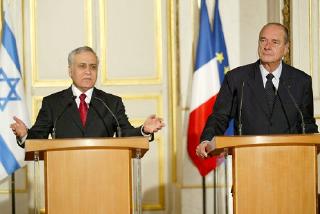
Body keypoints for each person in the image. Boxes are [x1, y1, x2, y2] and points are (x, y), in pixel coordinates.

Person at [196, 22, 318, 158]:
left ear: (286, 48)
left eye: (275, 42)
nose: (267, 47)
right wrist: (207, 139)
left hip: (290, 160)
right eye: (263, 40)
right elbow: (220, 116)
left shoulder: (301, 81)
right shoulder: (237, 78)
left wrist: (314, 144)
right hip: (249, 160)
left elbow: (306, 122)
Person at [10, 46, 165, 146]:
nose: (88, 72)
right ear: (70, 71)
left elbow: (125, 134)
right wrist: (25, 135)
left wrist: (144, 130)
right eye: (82, 66)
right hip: (64, 176)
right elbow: (38, 137)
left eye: (93, 67)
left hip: (103, 175)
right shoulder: (53, 103)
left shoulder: (111, 103)